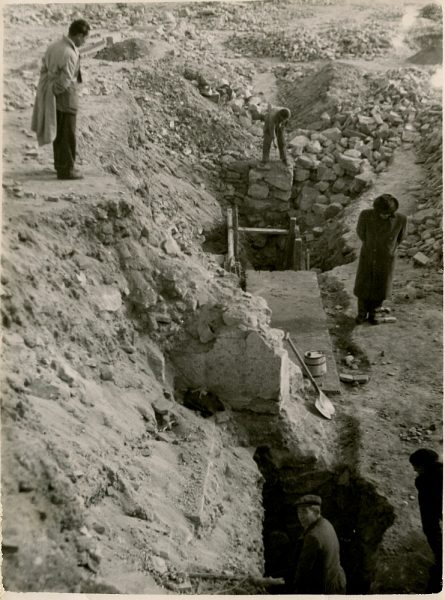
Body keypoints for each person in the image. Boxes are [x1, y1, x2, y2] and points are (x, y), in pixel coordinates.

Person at [31, 19, 90, 180]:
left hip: (53, 94)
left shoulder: (54, 46)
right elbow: (65, 80)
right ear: (78, 35)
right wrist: (55, 91)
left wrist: (49, 91)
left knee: (59, 132)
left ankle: (60, 165)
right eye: (85, 38)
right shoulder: (70, 53)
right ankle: (66, 170)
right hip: (65, 97)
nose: (85, 42)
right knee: (67, 133)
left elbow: (44, 68)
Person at [353, 193, 407, 325]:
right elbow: (361, 233)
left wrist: (387, 249)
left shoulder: (401, 219)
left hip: (386, 260)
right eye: (381, 213)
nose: (384, 216)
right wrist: (372, 246)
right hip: (368, 256)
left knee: (381, 288)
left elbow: (401, 238)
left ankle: (374, 314)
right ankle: (361, 314)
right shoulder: (365, 215)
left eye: (387, 214)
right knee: (363, 286)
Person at [293, 494, 346, 594]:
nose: (300, 516)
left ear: (316, 512)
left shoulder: (313, 537)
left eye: (304, 511)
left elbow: (302, 573)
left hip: (324, 589)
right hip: (337, 583)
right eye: (298, 512)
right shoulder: (326, 523)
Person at [409, 448, 443, 592]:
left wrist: (440, 553)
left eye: (415, 468)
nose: (415, 470)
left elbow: (430, 526)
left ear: (422, 467)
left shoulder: (425, 483)